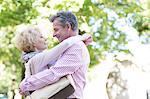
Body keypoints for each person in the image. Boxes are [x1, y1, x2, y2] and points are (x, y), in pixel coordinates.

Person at [19, 11, 91, 99]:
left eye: (56, 29)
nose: (53, 35)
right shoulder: (70, 47)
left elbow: (55, 73)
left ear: (68, 27)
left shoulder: (76, 47)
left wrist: (26, 85)